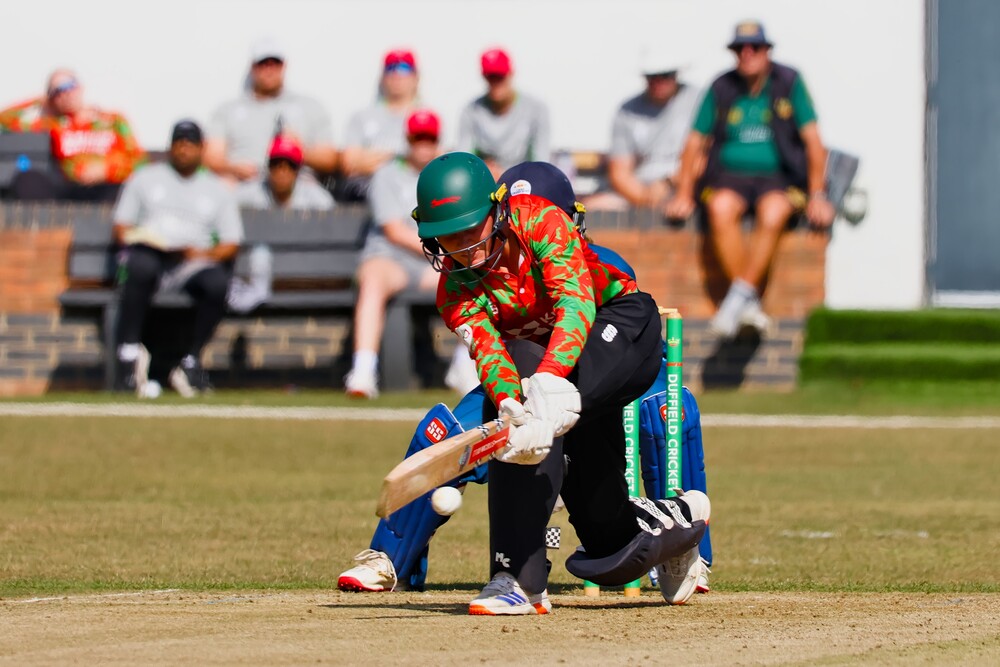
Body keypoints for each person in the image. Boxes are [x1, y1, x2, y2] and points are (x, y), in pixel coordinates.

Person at [337, 161, 713, 606]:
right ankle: (524, 578)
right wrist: (512, 406)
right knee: (611, 551)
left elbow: (575, 305)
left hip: (618, 330)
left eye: (469, 231)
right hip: (544, 376)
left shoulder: (539, 221)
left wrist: (549, 387)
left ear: (497, 212)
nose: (462, 249)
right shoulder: (455, 289)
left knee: (548, 403)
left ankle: (523, 571)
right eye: (447, 237)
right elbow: (492, 356)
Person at [666, 20, 835, 339]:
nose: (747, 54)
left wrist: (817, 194)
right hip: (729, 175)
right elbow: (693, 143)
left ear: (767, 51)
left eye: (754, 47)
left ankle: (735, 303)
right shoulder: (721, 87)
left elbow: (814, 142)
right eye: (739, 49)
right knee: (719, 208)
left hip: (780, 176)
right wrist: (684, 193)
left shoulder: (789, 82)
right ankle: (748, 304)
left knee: (773, 211)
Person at [343, 110, 478, 399]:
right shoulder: (387, 173)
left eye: (429, 139)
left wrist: (449, 255)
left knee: (475, 277)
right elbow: (393, 230)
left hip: (432, 262)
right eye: (418, 139)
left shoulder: (446, 177)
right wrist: (443, 252)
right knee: (373, 279)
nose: (423, 146)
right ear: (408, 140)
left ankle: (464, 364)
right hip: (391, 258)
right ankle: (363, 371)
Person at [112, 120, 243, 397]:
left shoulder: (217, 189)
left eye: (190, 144)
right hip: (151, 256)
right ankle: (129, 355)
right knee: (139, 265)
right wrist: (143, 237)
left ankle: (190, 361)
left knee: (218, 283)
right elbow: (122, 227)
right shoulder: (145, 178)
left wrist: (201, 253)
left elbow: (231, 243)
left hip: (192, 261)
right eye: (179, 143)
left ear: (201, 148)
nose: (184, 150)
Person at [205, 36, 337, 183]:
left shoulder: (310, 106)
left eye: (275, 63)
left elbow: (330, 160)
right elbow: (212, 157)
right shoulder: (228, 110)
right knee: (225, 185)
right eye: (263, 63)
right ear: (252, 67)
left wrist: (297, 151)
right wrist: (234, 168)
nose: (269, 69)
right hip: (246, 184)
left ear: (284, 65)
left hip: (297, 187)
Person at [0, 68, 145, 202]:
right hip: (70, 189)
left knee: (124, 193)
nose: (65, 94)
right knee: (28, 180)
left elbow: (139, 162)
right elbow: (4, 120)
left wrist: (107, 170)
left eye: (69, 86)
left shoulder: (113, 120)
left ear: (80, 87)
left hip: (108, 187)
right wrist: (40, 100)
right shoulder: (54, 125)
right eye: (57, 92)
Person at [586, 47, 701, 212]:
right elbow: (620, 171)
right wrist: (645, 199)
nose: (659, 81)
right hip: (641, 191)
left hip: (687, 187)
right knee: (586, 210)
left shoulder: (698, 100)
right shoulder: (627, 110)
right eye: (652, 76)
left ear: (676, 75)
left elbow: (706, 157)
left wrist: (670, 183)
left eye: (666, 75)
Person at [335, 49, 422, 203]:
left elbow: (432, 159)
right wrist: (402, 157)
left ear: (415, 76)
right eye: (391, 68)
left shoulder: (427, 117)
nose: (396, 75)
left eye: (404, 68)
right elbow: (349, 163)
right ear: (382, 77)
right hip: (368, 193)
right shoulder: (361, 117)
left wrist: (374, 158)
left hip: (414, 194)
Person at [456, 48, 551, 179]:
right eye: (491, 77)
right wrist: (483, 169)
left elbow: (541, 162)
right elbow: (464, 159)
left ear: (511, 74)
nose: (496, 82)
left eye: (500, 76)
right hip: (485, 182)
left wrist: (507, 175)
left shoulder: (536, 109)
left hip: (523, 184)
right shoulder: (471, 111)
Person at [236, 135, 335, 210]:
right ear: (268, 167)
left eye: (290, 165)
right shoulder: (252, 193)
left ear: (297, 170)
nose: (282, 171)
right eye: (276, 164)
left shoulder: (314, 197)